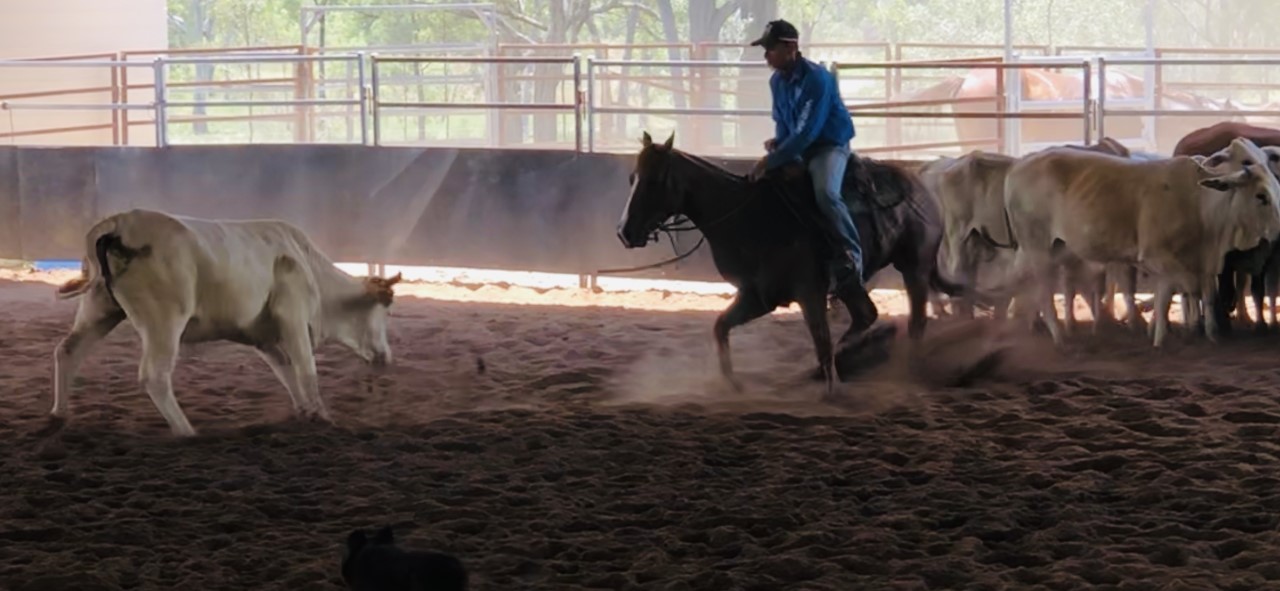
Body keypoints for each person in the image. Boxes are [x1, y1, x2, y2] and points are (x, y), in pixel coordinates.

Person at [746, 19, 876, 326]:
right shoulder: (777, 82)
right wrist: (779, 143)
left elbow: (808, 131)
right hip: (801, 146)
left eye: (771, 49)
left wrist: (774, 159)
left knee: (826, 193)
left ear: (790, 47)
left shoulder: (817, 79)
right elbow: (783, 122)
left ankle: (852, 258)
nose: (766, 55)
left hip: (829, 146)